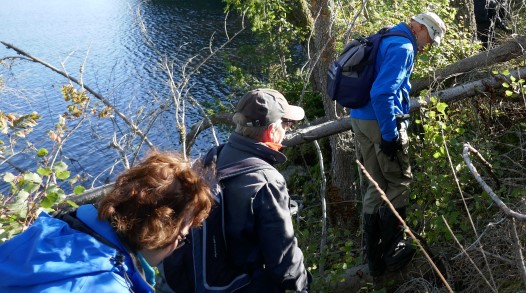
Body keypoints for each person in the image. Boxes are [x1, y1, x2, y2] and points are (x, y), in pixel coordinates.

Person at [0, 151, 213, 292]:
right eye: (182, 237)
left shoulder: (49, 229)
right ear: (159, 231)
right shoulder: (107, 286)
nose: (177, 246)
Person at [350, 11, 446, 277]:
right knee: (399, 181)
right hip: (379, 121)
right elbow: (382, 93)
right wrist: (390, 135)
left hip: (359, 118)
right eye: (429, 38)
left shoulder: (387, 35)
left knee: (376, 184)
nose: (427, 45)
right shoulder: (404, 47)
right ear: (421, 28)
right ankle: (393, 251)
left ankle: (374, 260)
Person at [216, 88, 311, 293]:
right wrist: (302, 287)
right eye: (287, 124)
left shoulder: (215, 156)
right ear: (271, 130)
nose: (288, 129)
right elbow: (284, 260)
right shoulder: (267, 181)